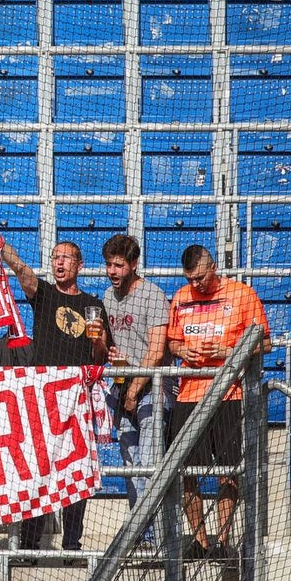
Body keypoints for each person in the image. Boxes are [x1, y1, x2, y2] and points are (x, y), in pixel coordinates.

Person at [0, 220, 110, 561]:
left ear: (80, 265)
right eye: (55, 257)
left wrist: (98, 340)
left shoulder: (94, 304)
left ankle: (72, 545)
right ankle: (29, 545)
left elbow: (100, 357)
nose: (59, 262)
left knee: (77, 471)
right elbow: (21, 269)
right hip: (44, 398)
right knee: (38, 472)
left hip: (78, 399)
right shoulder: (46, 294)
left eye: (66, 258)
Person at [167, 245, 270, 563]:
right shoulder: (181, 297)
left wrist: (229, 352)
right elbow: (173, 341)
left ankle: (223, 541)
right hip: (188, 395)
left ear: (213, 267)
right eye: (190, 279)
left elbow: (265, 342)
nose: (196, 284)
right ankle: (199, 540)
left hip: (228, 394)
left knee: (228, 472)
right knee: (185, 471)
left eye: (200, 277)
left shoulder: (241, 294)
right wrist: (182, 351)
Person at [100, 235, 171, 548]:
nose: (112, 271)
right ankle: (140, 536)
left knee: (150, 463)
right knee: (131, 466)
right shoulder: (107, 296)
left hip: (152, 389)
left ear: (133, 264)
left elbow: (156, 352)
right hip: (122, 388)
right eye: (109, 265)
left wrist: (135, 389)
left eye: (118, 265)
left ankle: (156, 536)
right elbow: (110, 346)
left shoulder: (152, 296)